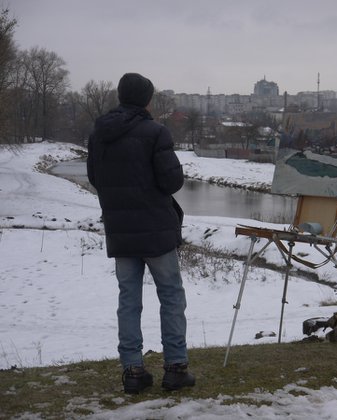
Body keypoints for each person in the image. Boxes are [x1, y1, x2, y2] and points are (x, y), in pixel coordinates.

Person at [87, 72, 194, 394]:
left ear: (121, 96)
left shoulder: (99, 133)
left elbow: (95, 178)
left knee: (129, 301)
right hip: (156, 231)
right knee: (171, 297)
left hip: (121, 230)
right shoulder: (155, 132)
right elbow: (172, 181)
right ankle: (175, 368)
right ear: (146, 99)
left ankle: (133, 371)